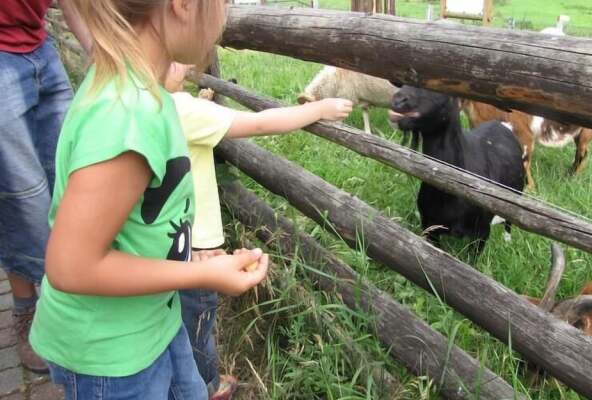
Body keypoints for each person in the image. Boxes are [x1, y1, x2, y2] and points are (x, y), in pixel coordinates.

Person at [28, 0, 270, 398]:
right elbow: (72, 266)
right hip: (111, 355)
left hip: (153, 320)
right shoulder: (127, 115)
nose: (224, 17)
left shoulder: (144, 93)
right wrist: (204, 275)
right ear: (184, 5)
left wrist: (192, 259)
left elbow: (139, 220)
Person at [165, 64, 353, 399]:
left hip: (172, 246)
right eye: (173, 60)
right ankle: (207, 386)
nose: (185, 65)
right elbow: (261, 122)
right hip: (199, 249)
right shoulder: (179, 108)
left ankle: (188, 382)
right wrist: (318, 107)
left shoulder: (140, 105)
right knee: (198, 324)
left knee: (179, 324)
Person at [0, 0, 91, 373]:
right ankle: (28, 308)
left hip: (40, 46)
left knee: (71, 176)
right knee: (20, 196)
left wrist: (96, 50)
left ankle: (72, 296)